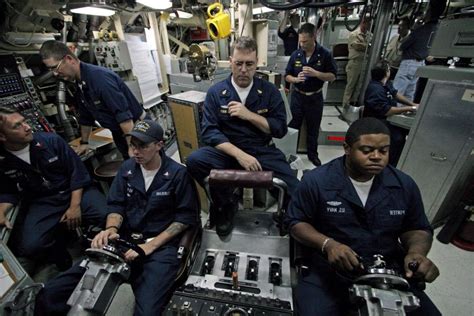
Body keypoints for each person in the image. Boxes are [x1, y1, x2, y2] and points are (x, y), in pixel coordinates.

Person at [35, 120, 200, 315]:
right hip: (124, 240)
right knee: (51, 293)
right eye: (133, 145)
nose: (136, 152)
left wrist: (150, 246)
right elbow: (116, 205)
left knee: (146, 312)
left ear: (159, 145)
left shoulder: (177, 174)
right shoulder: (127, 169)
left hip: (159, 247)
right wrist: (111, 229)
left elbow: (185, 217)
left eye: (143, 146)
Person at [285, 117, 440, 316]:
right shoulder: (317, 182)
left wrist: (417, 252)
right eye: (366, 151)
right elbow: (296, 222)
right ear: (347, 148)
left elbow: (417, 228)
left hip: (388, 268)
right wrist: (328, 244)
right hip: (328, 271)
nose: (376, 156)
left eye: (383, 151)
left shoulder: (403, 185)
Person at [186, 36, 299, 237]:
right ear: (230, 62)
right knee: (195, 160)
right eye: (238, 64)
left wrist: (249, 115)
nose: (244, 70)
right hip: (228, 150)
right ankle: (225, 205)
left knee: (295, 187)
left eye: (249, 64)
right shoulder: (216, 92)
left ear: (257, 64)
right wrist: (239, 155)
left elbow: (280, 129)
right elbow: (210, 132)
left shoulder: (269, 91)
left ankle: (284, 215)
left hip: (261, 150)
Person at [0, 107, 106, 272]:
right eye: (17, 126)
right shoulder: (3, 160)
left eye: (24, 122)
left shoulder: (51, 141)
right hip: (44, 202)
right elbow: (8, 192)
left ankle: (97, 244)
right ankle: (59, 250)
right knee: (30, 246)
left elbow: (77, 174)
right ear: (2, 136)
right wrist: (1, 211)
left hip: (74, 191)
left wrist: (74, 206)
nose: (27, 127)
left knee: (105, 214)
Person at [40, 40, 146, 159]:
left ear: (69, 59)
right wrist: (84, 143)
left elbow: (124, 117)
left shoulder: (99, 79)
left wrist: (132, 147)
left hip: (137, 132)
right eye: (51, 70)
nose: (55, 74)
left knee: (152, 170)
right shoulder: (78, 83)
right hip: (121, 133)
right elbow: (86, 117)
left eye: (55, 67)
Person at [285, 23, 337, 166]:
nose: (301, 44)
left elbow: (332, 76)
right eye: (300, 41)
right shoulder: (296, 54)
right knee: (293, 127)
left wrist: (316, 73)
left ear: (314, 37)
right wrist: (295, 79)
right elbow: (287, 75)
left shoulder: (325, 54)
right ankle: (290, 154)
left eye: (305, 41)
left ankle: (312, 155)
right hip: (297, 97)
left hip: (315, 98)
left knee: (313, 128)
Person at [363, 62, 418, 166]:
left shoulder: (386, 84)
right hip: (378, 121)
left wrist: (412, 104)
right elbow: (386, 110)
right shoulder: (375, 89)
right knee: (397, 138)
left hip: (388, 118)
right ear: (386, 72)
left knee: (404, 132)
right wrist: (410, 108)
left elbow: (396, 94)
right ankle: (391, 164)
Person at [392, 6, 441, 102]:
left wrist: (415, 27)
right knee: (409, 93)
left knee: (397, 92)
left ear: (429, 14)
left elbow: (403, 45)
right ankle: (404, 112)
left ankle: (391, 113)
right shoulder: (437, 29)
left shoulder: (421, 30)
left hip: (409, 63)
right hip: (420, 64)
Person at [342, 16, 372, 110]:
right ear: (362, 22)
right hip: (355, 63)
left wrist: (366, 46)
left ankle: (353, 107)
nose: (367, 25)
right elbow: (357, 46)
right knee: (350, 86)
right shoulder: (354, 34)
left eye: (369, 23)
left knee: (360, 87)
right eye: (366, 22)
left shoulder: (370, 35)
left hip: (365, 63)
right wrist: (369, 46)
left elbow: (365, 46)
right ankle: (345, 108)